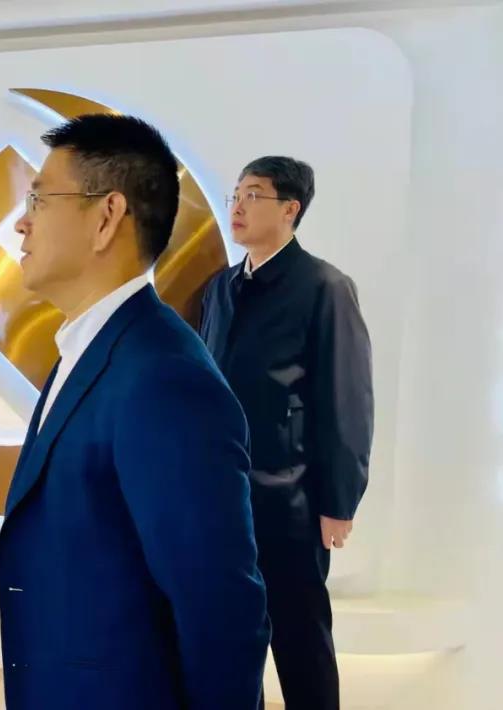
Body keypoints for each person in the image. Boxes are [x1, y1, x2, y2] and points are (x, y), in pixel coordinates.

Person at [0, 114, 269, 709]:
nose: (21, 221)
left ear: (106, 217)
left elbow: (221, 608)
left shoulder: (163, 377)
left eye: (39, 199)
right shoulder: (88, 350)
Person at [199, 156, 373, 710]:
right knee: (228, 637)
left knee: (301, 640)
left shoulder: (324, 287)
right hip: (223, 499)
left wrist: (339, 503)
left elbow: (347, 401)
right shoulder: (221, 289)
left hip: (290, 501)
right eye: (235, 195)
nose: (237, 206)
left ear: (290, 209)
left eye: (253, 195)